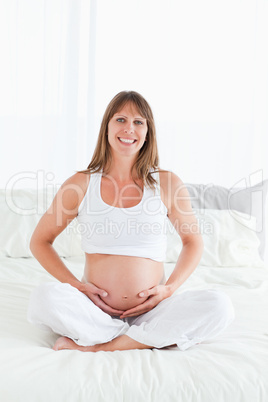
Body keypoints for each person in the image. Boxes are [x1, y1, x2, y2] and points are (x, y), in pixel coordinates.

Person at [28, 90, 235, 352]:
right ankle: (139, 338)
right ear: (107, 127)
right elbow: (40, 241)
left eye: (139, 122)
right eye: (121, 119)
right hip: (95, 311)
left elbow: (192, 241)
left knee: (219, 306)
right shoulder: (81, 184)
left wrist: (169, 289)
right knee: (42, 299)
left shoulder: (166, 182)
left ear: (148, 133)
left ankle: (104, 345)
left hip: (154, 311)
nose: (129, 128)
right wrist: (77, 287)